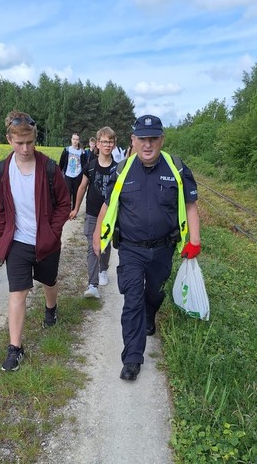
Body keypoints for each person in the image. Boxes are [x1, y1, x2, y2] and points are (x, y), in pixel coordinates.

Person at [93, 115, 201, 381]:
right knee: (132, 299)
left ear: (162, 140)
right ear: (134, 141)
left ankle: (151, 311)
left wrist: (194, 242)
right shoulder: (122, 170)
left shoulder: (176, 168)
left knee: (153, 292)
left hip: (163, 249)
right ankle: (132, 358)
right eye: (142, 139)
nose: (148, 144)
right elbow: (106, 206)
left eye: (153, 138)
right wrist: (98, 235)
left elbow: (190, 206)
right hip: (130, 249)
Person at [0, 111, 70, 372]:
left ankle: (51, 309)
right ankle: (15, 348)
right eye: (19, 142)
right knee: (17, 292)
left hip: (46, 241)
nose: (25, 148)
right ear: (9, 139)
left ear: (35, 138)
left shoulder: (49, 167)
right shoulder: (2, 170)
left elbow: (64, 203)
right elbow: (3, 209)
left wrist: (52, 231)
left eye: (29, 142)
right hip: (17, 242)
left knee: (49, 280)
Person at [69, 127, 117, 298]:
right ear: (97, 144)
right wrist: (75, 208)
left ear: (114, 144)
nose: (107, 145)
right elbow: (82, 187)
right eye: (104, 141)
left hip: (109, 216)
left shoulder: (118, 169)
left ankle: (103, 269)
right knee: (92, 247)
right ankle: (92, 285)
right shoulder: (90, 167)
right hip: (91, 213)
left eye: (110, 141)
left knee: (105, 246)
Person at [59, 132, 87, 210]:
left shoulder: (82, 152)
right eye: (74, 139)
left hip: (78, 175)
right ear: (71, 140)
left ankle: (74, 209)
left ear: (79, 141)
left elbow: (85, 165)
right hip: (68, 174)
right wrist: (59, 173)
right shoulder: (67, 150)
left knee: (76, 193)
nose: (75, 141)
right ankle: (66, 209)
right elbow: (61, 162)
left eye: (77, 139)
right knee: (67, 193)